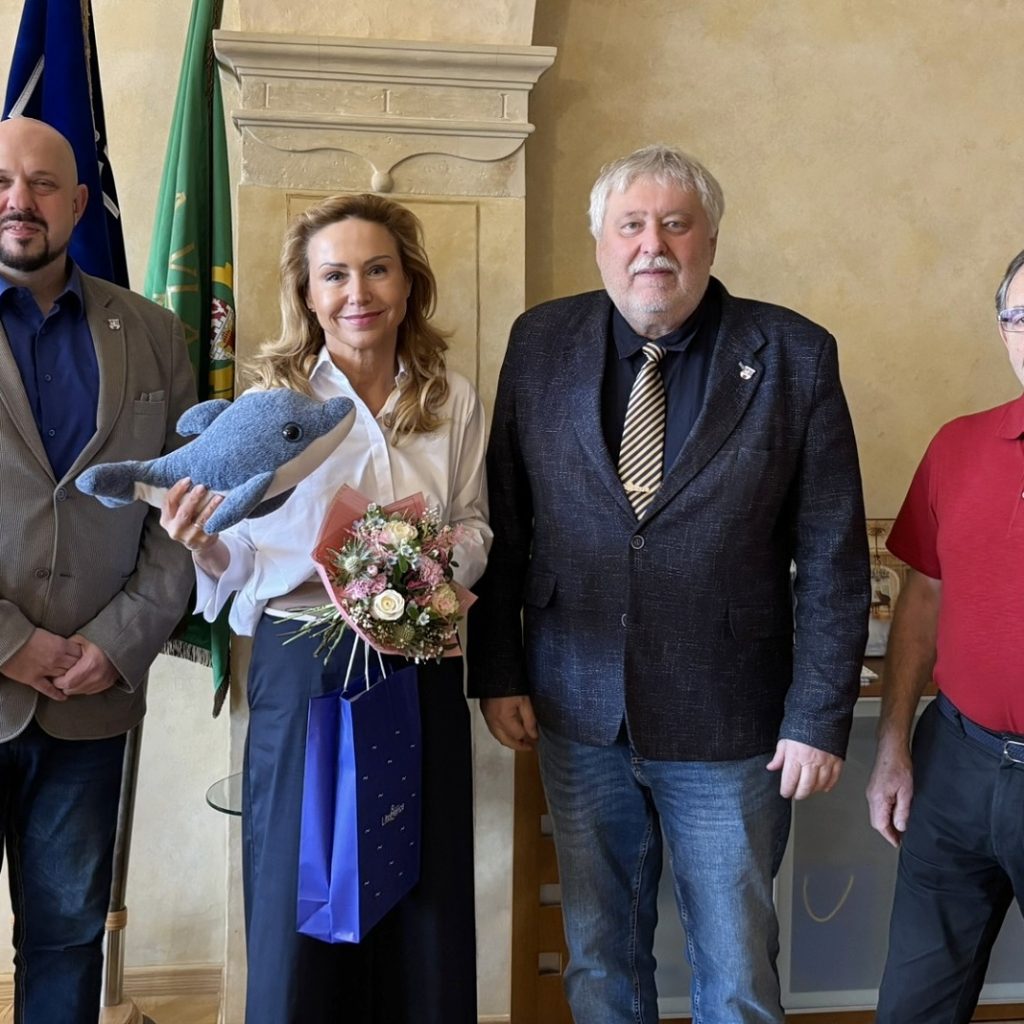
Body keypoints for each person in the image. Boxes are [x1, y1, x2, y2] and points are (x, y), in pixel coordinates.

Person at [468, 144, 869, 1024]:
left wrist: (816, 716)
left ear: (710, 240)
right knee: (599, 955)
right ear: (601, 242)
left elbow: (833, 556)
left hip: (732, 720)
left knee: (736, 967)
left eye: (676, 225)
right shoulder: (540, 342)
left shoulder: (794, 354)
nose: (653, 245)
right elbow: (506, 519)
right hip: (576, 708)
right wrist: (497, 670)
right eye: (632, 225)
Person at [160, 193, 490, 1024]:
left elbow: (477, 522)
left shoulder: (452, 399)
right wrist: (200, 544)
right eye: (334, 275)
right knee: (298, 900)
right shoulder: (270, 410)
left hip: (418, 654)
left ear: (408, 285)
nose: (357, 292)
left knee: (422, 891)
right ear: (307, 293)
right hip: (300, 661)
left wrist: (422, 560)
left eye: (377, 270)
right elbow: (237, 558)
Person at [0, 116, 195, 1023]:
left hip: (92, 695)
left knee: (68, 937)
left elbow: (185, 512)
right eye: (4, 181)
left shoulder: (153, 333)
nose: (20, 200)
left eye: (43, 184)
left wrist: (118, 642)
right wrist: (10, 641)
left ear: (80, 203)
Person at [866, 248, 1024, 1022]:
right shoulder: (957, 447)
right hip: (955, 764)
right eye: (1022, 316)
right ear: (1003, 331)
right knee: (913, 1007)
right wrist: (893, 742)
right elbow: (921, 597)